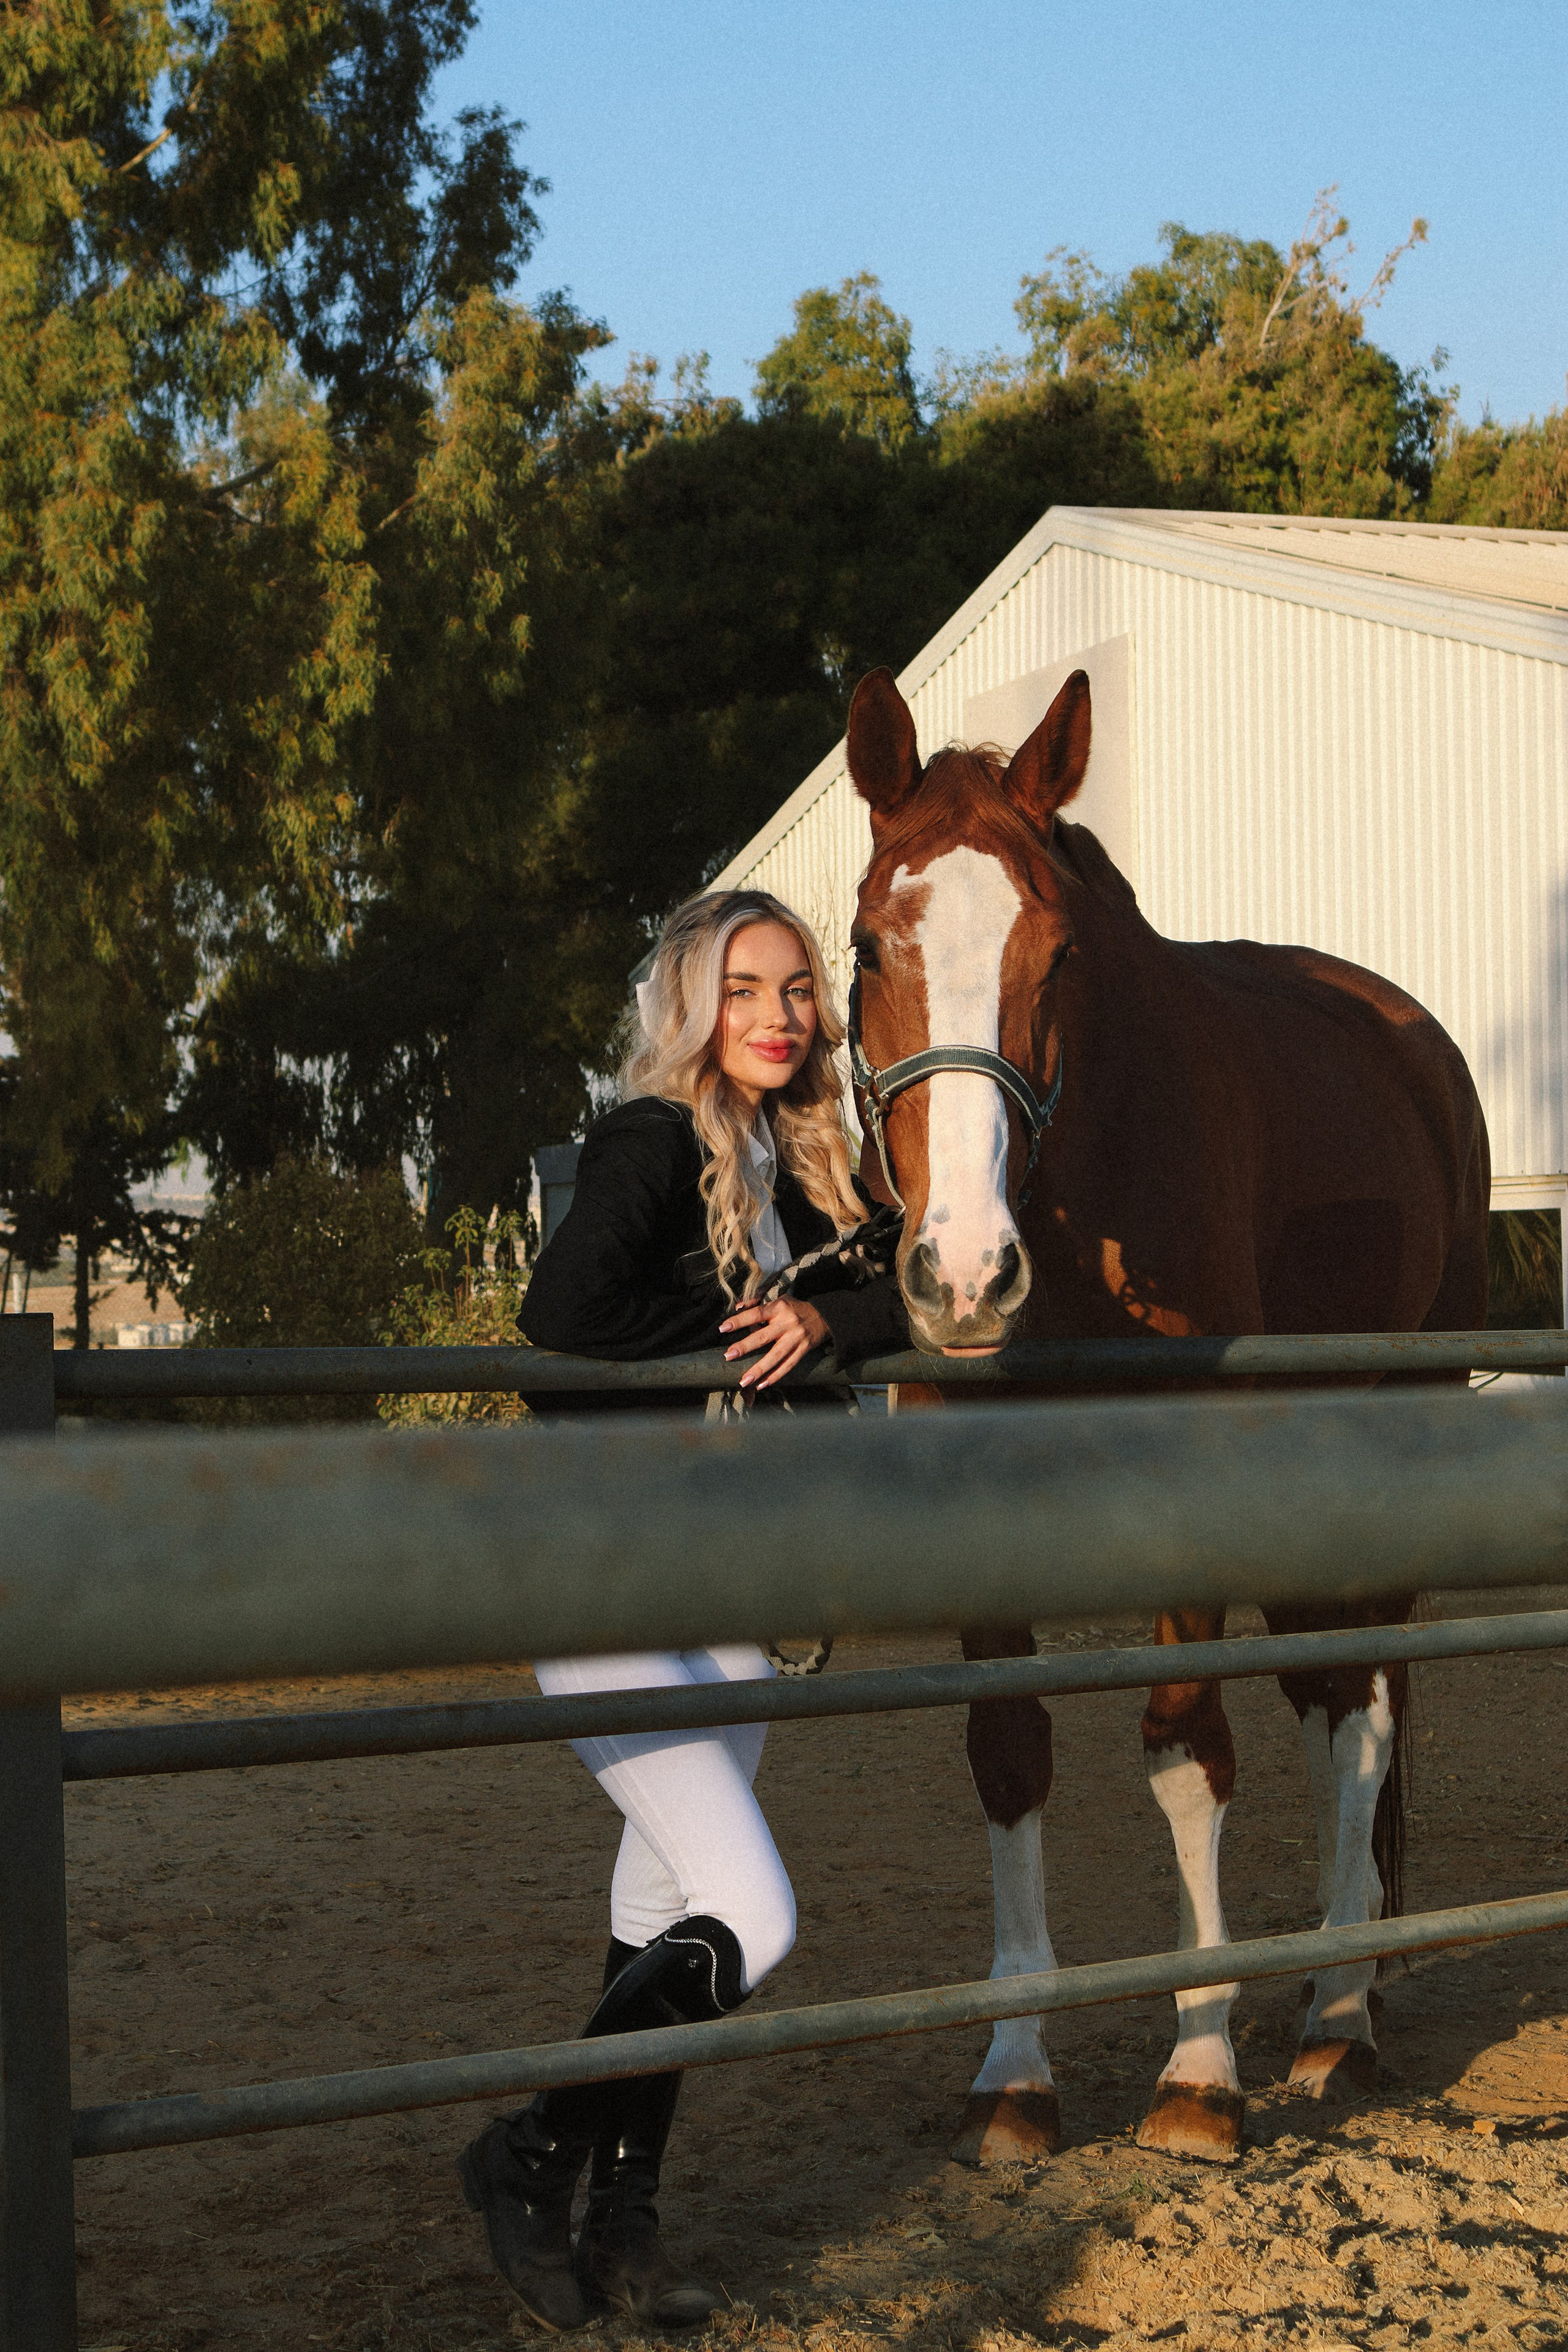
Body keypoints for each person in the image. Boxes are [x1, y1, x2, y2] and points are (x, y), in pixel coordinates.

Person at [456, 889, 908, 2333]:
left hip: (729, 1582)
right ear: (692, 1008)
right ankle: (522, 2159)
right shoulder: (651, 1139)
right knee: (750, 1916)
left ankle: (622, 2232)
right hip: (602, 1572)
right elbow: (558, 1327)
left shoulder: (809, 1158)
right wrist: (749, 1325)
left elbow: (924, 1285)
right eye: (743, 990)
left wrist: (827, 1320)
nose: (775, 1016)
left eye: (793, 991)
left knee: (661, 1900)